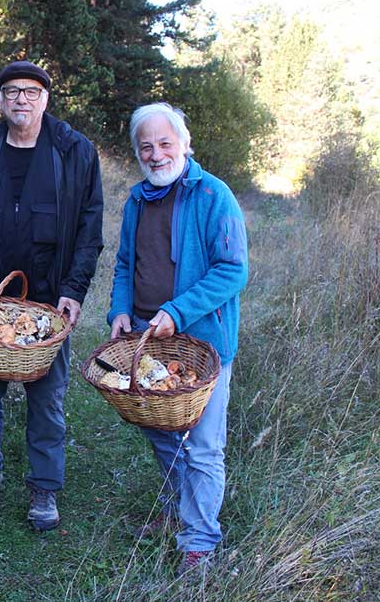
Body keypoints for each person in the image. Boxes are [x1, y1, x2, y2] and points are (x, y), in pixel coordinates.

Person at [0, 60, 103, 531]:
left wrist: (74, 291)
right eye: (11, 91)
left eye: (31, 92)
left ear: (45, 100)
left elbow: (89, 230)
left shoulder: (74, 151)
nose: (21, 99)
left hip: (48, 301)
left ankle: (44, 489)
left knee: (48, 397)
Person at [106, 102, 248, 575]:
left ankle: (200, 542)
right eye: (146, 147)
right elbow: (126, 264)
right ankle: (181, 509)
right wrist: (120, 310)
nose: (156, 154)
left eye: (165, 143)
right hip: (149, 344)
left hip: (202, 344)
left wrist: (178, 310)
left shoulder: (214, 196)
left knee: (204, 445)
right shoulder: (136, 201)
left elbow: (233, 270)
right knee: (160, 428)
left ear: (185, 144)